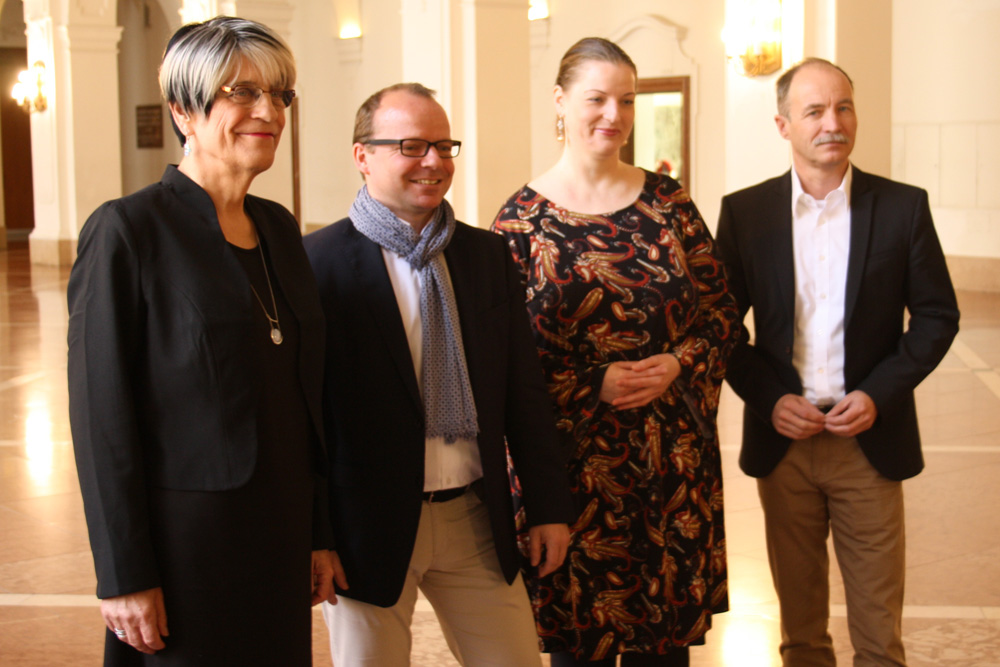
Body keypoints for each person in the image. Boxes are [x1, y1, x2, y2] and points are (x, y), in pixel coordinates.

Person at [67, 17, 336, 665]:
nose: (268, 111)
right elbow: (102, 420)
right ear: (184, 109)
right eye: (241, 92)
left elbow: (303, 403)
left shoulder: (277, 228)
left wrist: (317, 534)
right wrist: (123, 573)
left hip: (277, 542)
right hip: (185, 554)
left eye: (280, 94)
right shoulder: (128, 231)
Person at [303, 83, 575, 667]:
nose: (434, 161)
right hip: (365, 529)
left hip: (473, 516)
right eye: (411, 145)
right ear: (362, 156)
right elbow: (307, 421)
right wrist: (316, 537)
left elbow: (524, 392)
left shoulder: (483, 257)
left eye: (443, 145)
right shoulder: (316, 265)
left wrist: (549, 505)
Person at [492, 38, 739, 666]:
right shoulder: (519, 224)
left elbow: (720, 315)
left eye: (626, 100)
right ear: (560, 102)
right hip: (574, 474)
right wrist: (589, 383)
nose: (614, 115)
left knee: (666, 652)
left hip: (671, 465)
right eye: (596, 98)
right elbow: (503, 363)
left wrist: (680, 363)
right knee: (584, 647)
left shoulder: (669, 202)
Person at [715, 58, 960, 666]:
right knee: (800, 632)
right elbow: (717, 328)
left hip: (868, 445)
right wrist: (771, 400)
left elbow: (936, 316)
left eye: (844, 107)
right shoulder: (746, 214)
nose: (833, 123)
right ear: (783, 125)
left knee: (879, 634)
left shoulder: (903, 208)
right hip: (785, 446)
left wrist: (879, 392)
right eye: (815, 111)